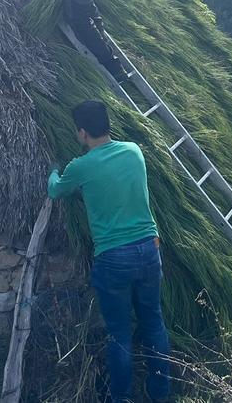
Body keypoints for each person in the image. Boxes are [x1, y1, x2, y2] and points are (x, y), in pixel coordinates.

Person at [48, 100, 171, 403]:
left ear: (81, 132)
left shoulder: (81, 166)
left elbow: (56, 190)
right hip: (148, 249)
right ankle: (160, 395)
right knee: (154, 324)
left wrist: (52, 170)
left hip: (114, 257)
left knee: (119, 334)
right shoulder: (134, 151)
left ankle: (122, 398)